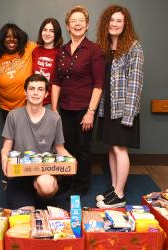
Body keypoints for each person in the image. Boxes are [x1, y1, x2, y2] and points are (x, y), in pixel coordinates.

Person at [51, 5, 105, 196]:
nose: (77, 24)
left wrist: (91, 112)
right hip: (64, 107)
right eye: (73, 21)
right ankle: (66, 183)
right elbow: (55, 81)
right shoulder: (62, 50)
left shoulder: (94, 49)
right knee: (66, 146)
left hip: (85, 108)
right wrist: (55, 108)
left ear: (87, 25)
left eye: (81, 21)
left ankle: (80, 187)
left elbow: (99, 84)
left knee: (82, 149)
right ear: (67, 26)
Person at [95, 5, 144, 208]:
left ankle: (120, 194)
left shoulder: (134, 47)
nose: (114, 24)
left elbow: (136, 82)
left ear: (125, 25)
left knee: (120, 148)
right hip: (107, 107)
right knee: (112, 148)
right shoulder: (105, 47)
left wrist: (128, 115)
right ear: (106, 23)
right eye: (111, 20)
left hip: (123, 109)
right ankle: (115, 187)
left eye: (119, 21)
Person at [1, 74, 72, 210]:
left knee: (46, 185)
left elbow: (60, 148)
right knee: (27, 216)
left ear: (46, 94)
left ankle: (41, 198)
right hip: (20, 174)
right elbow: (6, 147)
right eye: (31, 88)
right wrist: (4, 156)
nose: (35, 92)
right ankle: (22, 197)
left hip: (44, 172)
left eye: (40, 89)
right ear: (25, 92)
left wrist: (70, 161)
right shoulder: (13, 115)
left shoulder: (54, 118)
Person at [0, 23, 37, 122]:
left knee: (26, 136)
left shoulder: (28, 49)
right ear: (2, 39)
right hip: (5, 108)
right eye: (7, 37)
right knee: (10, 136)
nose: (11, 40)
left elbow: (47, 47)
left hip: (26, 107)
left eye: (15, 37)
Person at [32, 18, 63, 107]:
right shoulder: (35, 50)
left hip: (51, 103)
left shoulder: (61, 52)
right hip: (34, 100)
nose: (47, 33)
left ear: (56, 34)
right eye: (44, 30)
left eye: (51, 31)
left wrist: (54, 106)